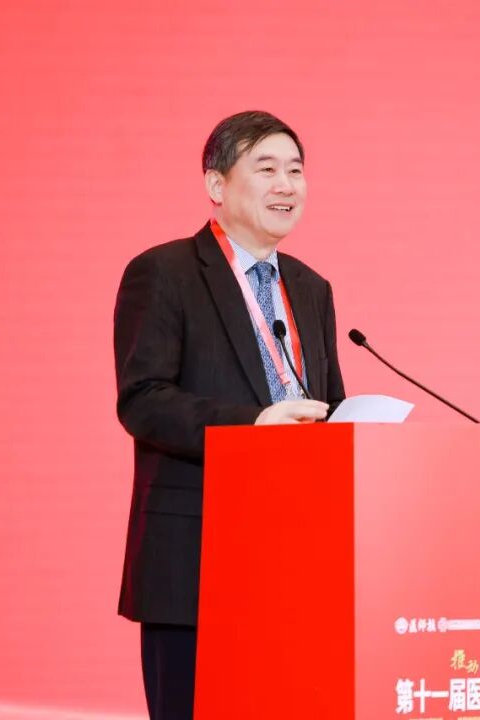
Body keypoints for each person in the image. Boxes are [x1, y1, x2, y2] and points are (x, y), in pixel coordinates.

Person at [112, 110, 346, 720]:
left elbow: (328, 404)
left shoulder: (312, 288)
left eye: (296, 170)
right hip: (199, 559)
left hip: (298, 561)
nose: (286, 185)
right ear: (216, 184)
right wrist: (253, 426)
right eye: (266, 169)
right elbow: (143, 399)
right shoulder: (164, 273)